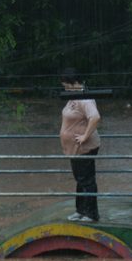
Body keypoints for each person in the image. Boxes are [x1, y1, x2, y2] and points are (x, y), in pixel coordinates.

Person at [59, 68, 101, 222]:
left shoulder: (85, 99)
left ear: (76, 83)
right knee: (80, 179)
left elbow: (95, 118)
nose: (66, 90)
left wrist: (84, 136)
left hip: (84, 148)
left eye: (68, 86)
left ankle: (91, 213)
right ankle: (81, 210)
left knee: (86, 180)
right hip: (74, 149)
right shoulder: (74, 96)